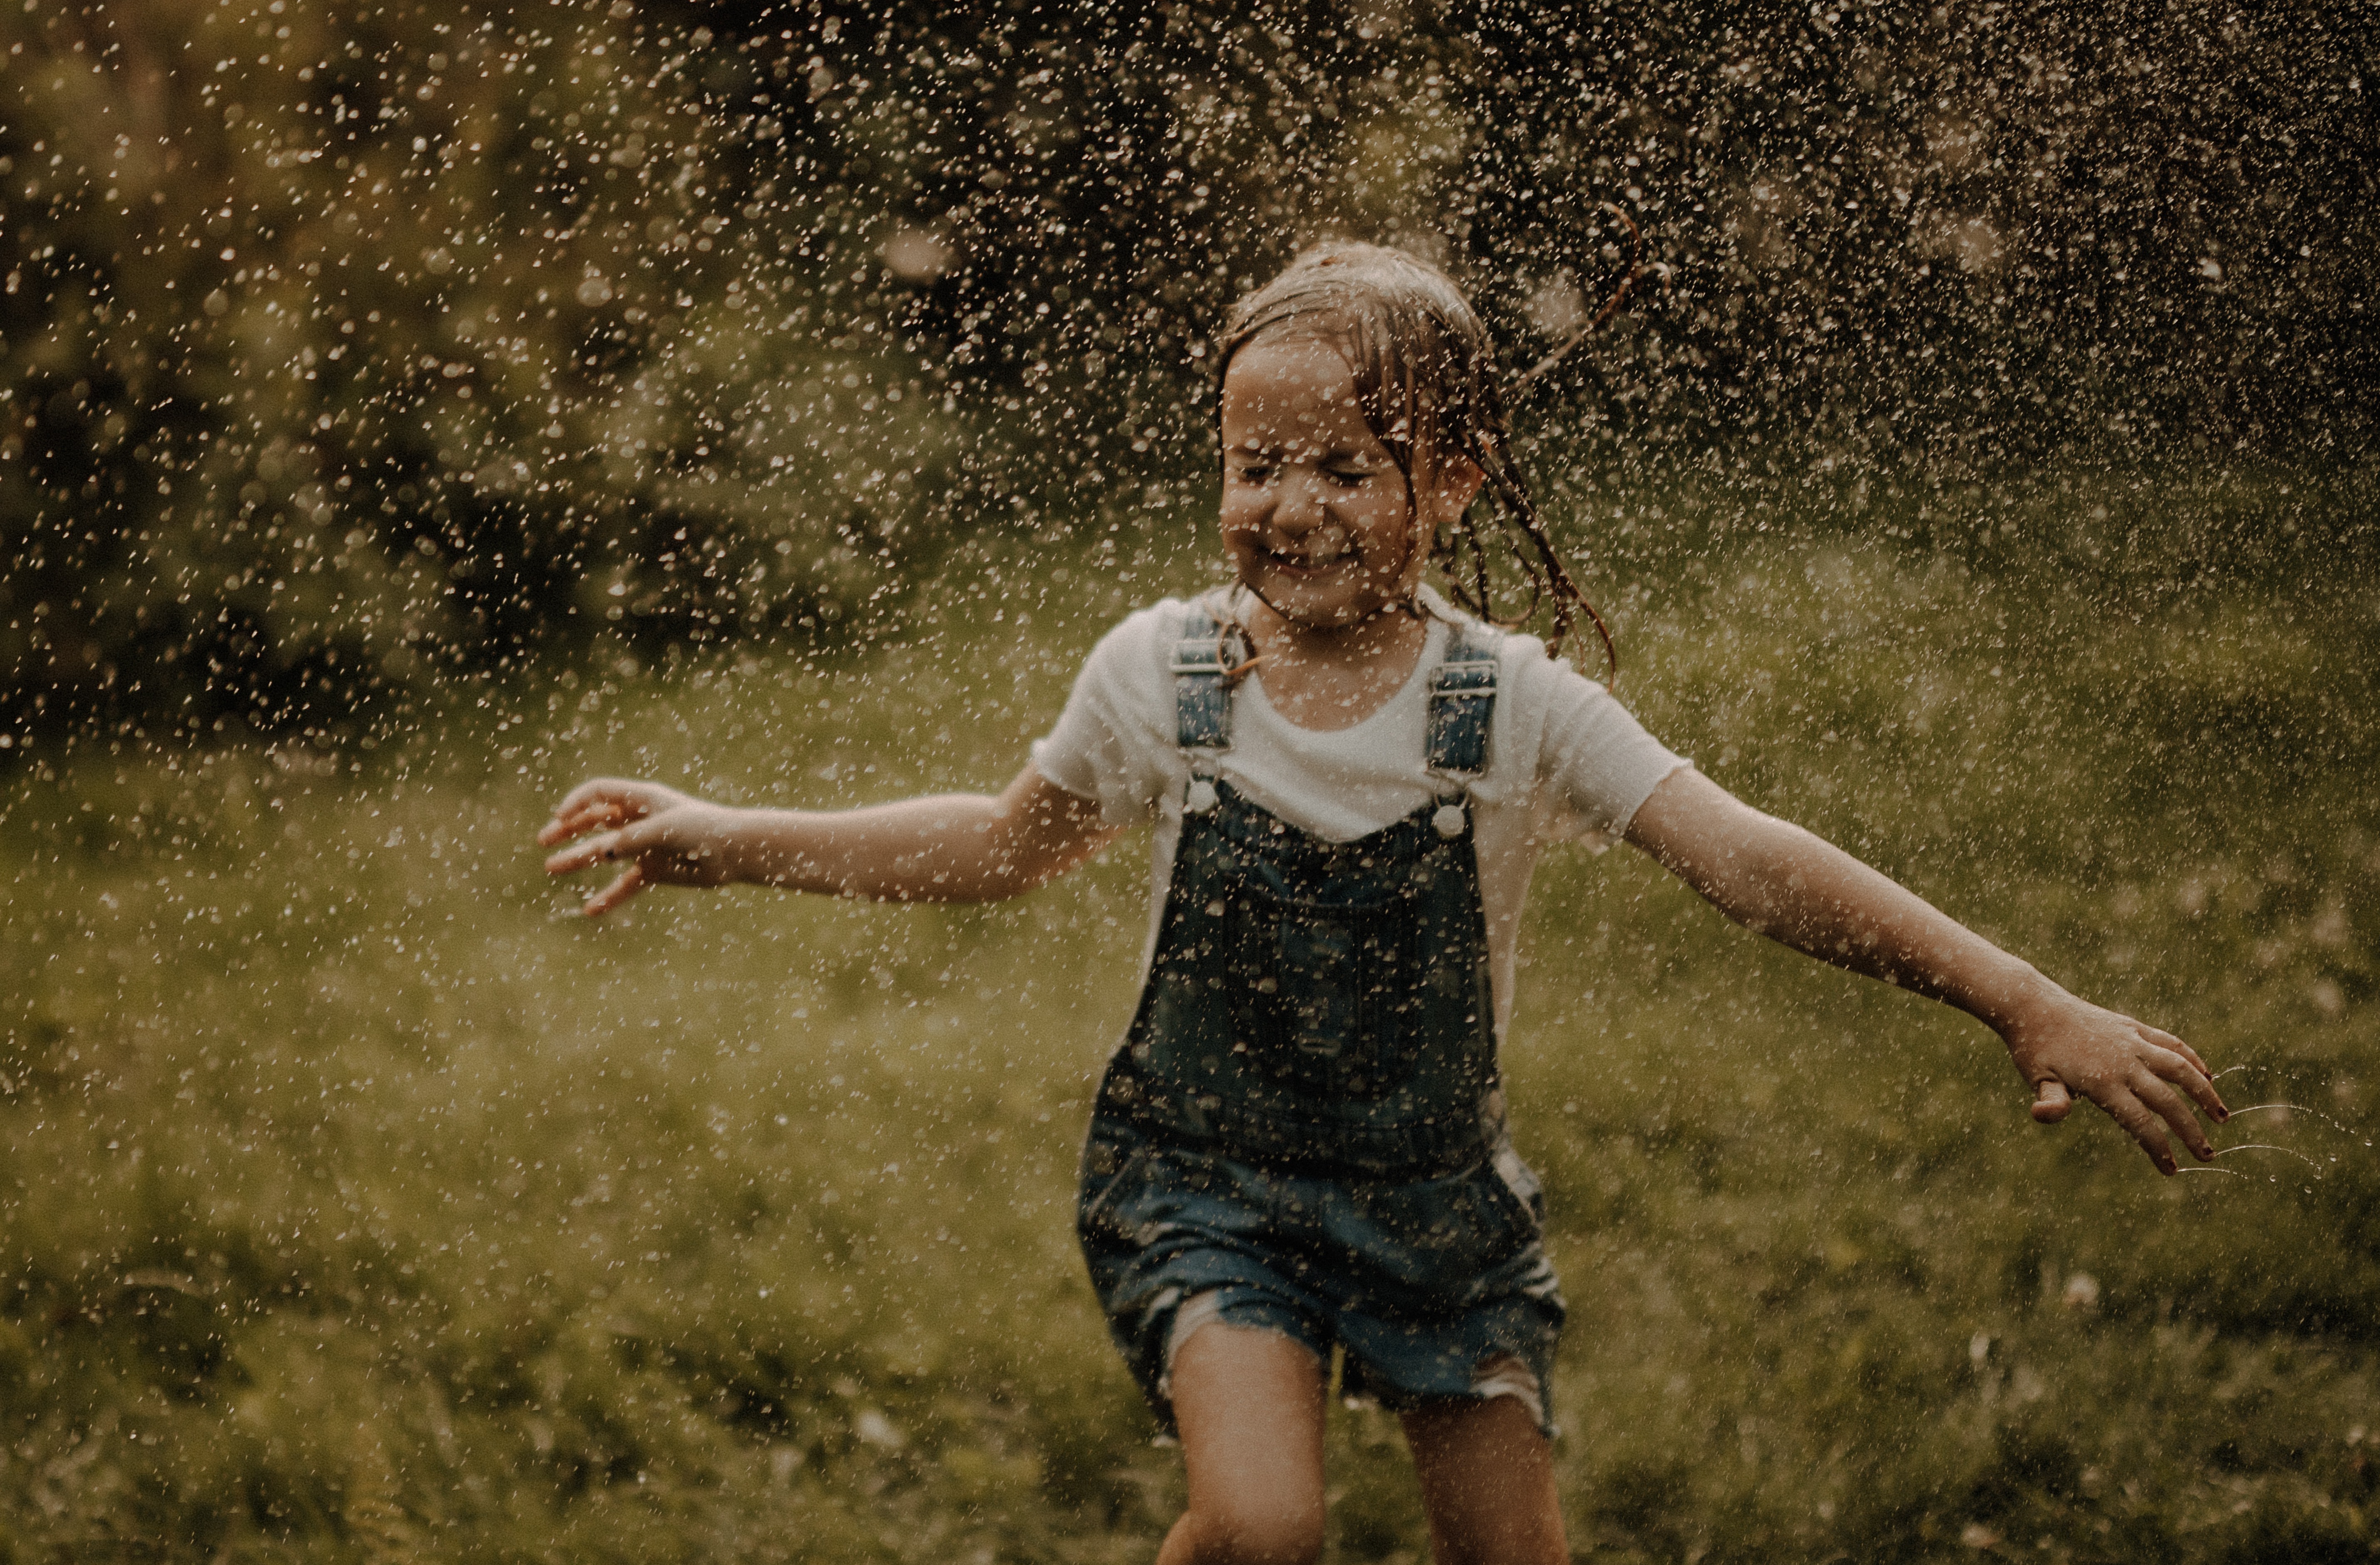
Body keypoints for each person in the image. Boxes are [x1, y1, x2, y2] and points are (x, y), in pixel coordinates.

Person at [539, 243, 2229, 1565]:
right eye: (1255, 460)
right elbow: (999, 840)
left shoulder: (1516, 710)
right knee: (1267, 1530)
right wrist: (721, 835)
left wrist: (2020, 995)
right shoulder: (1163, 676)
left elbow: (1750, 858)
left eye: (1345, 465)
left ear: (1456, 480)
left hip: (1434, 1213)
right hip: (1204, 1186)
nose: (1287, 507)